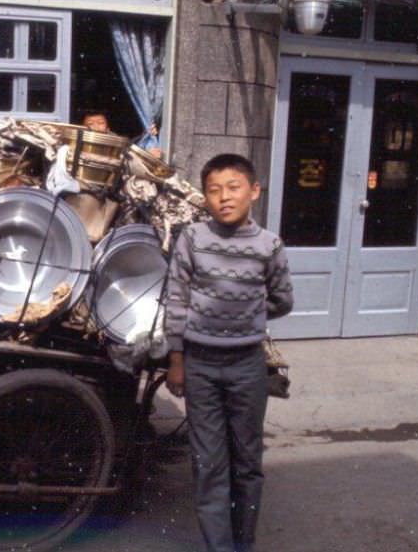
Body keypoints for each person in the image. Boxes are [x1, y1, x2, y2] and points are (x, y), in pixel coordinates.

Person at [164, 153, 294, 552]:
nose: (224, 197)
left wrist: (245, 312)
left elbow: (283, 299)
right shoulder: (192, 238)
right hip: (200, 365)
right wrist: (177, 359)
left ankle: (243, 544)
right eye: (214, 190)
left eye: (233, 188)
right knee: (208, 465)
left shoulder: (269, 245)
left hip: (247, 368)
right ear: (205, 196)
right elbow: (176, 299)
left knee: (247, 464)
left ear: (253, 191)